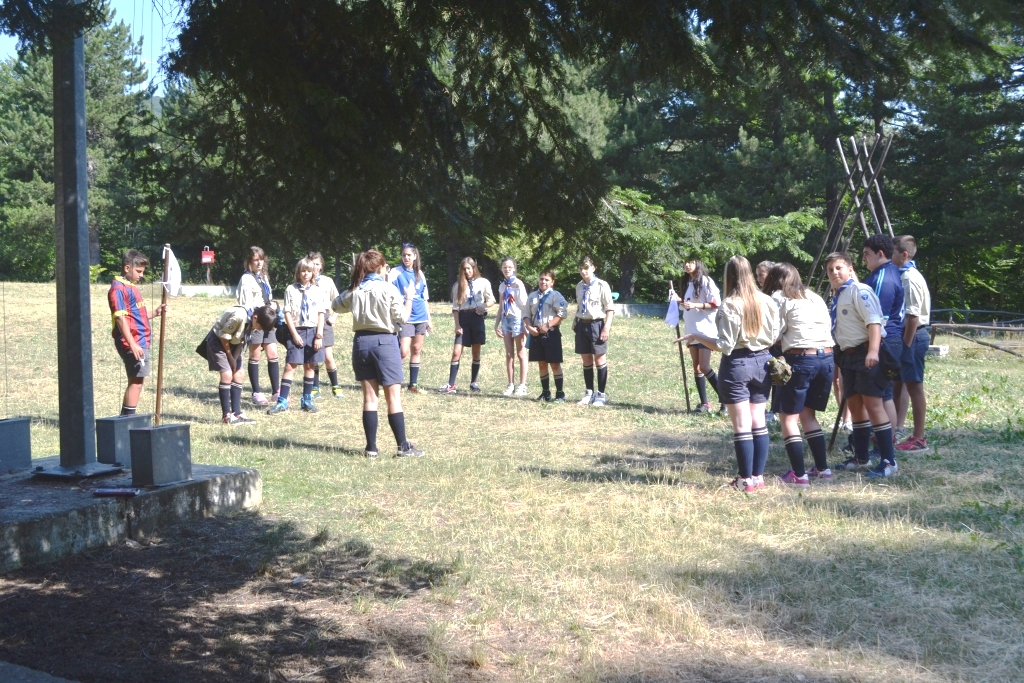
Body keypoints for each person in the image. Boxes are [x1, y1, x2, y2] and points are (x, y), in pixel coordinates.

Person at [680, 256, 780, 492]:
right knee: (759, 421)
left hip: (737, 364)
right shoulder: (768, 301)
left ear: (729, 276)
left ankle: (745, 480)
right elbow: (775, 335)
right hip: (764, 362)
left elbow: (724, 345)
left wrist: (697, 336)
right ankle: (757, 477)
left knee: (742, 424)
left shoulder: (730, 304)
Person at [333, 249, 423, 458]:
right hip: (385, 342)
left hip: (361, 343)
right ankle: (403, 446)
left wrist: (353, 286)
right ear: (380, 268)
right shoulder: (388, 288)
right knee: (393, 398)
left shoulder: (355, 289)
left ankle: (371, 448)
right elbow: (402, 317)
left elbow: (336, 305)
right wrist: (409, 298)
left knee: (370, 398)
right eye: (385, 267)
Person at [826, 252, 899, 478]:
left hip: (865, 352)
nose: (835, 273)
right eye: (830, 270)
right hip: (847, 355)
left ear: (850, 269)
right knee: (855, 404)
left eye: (839, 267)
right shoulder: (839, 295)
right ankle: (861, 457)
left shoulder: (860, 291)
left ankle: (888, 461)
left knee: (873, 404)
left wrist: (873, 351)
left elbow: (874, 322)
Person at [762, 263, 835, 486]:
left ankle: (799, 474)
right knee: (808, 414)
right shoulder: (814, 296)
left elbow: (773, 333)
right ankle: (822, 468)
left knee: (788, 417)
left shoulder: (779, 297)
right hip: (826, 358)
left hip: (801, 359)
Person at [108, 249, 165, 416]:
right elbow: (120, 318)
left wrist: (155, 313)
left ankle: (126, 419)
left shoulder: (130, 286)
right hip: (133, 341)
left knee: (137, 380)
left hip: (140, 340)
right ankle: (127, 419)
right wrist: (132, 344)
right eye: (138, 271)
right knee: (137, 381)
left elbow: (136, 315)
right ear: (127, 268)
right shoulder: (118, 289)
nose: (141, 275)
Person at [862, 234, 905, 442]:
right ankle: (883, 438)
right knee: (883, 392)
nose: (864, 258)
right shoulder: (887, 272)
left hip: (885, 341)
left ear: (880, 254)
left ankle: (885, 441)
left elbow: (878, 318)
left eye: (866, 254)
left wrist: (873, 347)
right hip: (888, 340)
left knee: (881, 394)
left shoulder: (883, 278)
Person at [268, 257, 325, 414]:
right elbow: (286, 313)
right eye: (303, 271)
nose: (306, 274)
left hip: (313, 331)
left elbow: (321, 313)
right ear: (298, 272)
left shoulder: (317, 290)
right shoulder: (290, 289)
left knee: (310, 365)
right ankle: (282, 401)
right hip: (296, 331)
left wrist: (319, 335)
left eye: (309, 271)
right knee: (290, 365)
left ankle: (307, 399)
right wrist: (293, 334)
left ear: (313, 272)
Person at [892, 235, 931, 453]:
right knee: (897, 385)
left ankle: (919, 437)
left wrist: (904, 347)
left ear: (904, 254)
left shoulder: (909, 278)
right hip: (906, 336)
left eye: (892, 252)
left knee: (914, 387)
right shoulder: (902, 274)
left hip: (913, 336)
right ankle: (892, 432)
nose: (889, 257)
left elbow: (913, 316)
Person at [204, 304, 276, 425]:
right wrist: (230, 358)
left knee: (239, 374)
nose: (259, 329)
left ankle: (236, 413)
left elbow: (242, 340)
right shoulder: (239, 317)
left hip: (234, 344)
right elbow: (223, 337)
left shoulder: (255, 322)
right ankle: (226, 416)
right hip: (218, 342)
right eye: (260, 327)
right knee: (227, 374)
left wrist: (235, 358)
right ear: (255, 317)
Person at [669, 258, 722, 413]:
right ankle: (704, 404)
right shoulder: (687, 283)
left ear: (697, 263)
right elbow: (687, 305)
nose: (687, 265)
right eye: (685, 262)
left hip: (705, 330)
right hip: (691, 330)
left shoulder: (706, 281)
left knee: (704, 367)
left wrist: (695, 305)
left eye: (691, 262)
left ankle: (726, 400)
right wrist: (678, 300)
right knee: (697, 367)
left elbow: (716, 303)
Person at [439, 257, 495, 394]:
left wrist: (483, 305)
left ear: (474, 268)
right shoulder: (457, 285)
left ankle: (474, 382)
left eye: (469, 268)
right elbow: (455, 307)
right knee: (456, 352)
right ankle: (451, 384)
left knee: (476, 351)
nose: (467, 271)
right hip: (463, 318)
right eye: (464, 269)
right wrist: (457, 325)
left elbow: (492, 300)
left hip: (477, 318)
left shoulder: (483, 282)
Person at [387, 243, 434, 392]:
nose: (406, 257)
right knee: (403, 351)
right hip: (405, 317)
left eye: (409, 255)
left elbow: (424, 298)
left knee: (416, 349)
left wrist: (428, 319)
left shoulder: (420, 274)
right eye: (404, 255)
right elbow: (387, 292)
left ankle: (413, 384)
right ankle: (394, 382)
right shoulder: (395, 272)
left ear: (414, 256)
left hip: (420, 317)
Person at [237, 246, 279, 407]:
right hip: (256, 321)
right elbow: (245, 303)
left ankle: (276, 391)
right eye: (256, 260)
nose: (259, 263)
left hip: (268, 319)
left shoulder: (263, 277)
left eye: (261, 259)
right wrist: (253, 322)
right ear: (249, 262)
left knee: (272, 353)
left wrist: (273, 305)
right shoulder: (246, 279)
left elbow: (267, 296)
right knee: (255, 355)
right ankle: (256, 392)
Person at [573, 256, 615, 407]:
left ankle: (601, 395)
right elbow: (579, 306)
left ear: (593, 268)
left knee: (600, 359)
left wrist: (606, 328)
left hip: (597, 325)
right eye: (581, 269)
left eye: (586, 268)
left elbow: (610, 308)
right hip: (582, 324)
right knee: (586, 359)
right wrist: (575, 322)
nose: (584, 271)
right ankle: (589, 393)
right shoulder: (579, 286)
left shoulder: (602, 285)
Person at [523, 270, 568, 402]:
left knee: (554, 364)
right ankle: (545, 392)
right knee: (541, 364)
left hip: (551, 334)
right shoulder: (532, 296)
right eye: (541, 279)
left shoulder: (555, 296)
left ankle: (560, 393)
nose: (543, 282)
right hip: (536, 333)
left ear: (552, 282)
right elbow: (526, 314)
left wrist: (548, 325)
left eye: (547, 280)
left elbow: (562, 314)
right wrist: (529, 327)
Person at [309, 252, 343, 398]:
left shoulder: (327, 281)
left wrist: (334, 317)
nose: (315, 267)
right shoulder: (305, 280)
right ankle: (315, 387)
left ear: (321, 266)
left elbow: (339, 301)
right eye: (312, 264)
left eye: (317, 264)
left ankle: (335, 386)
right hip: (311, 321)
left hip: (325, 320)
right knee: (314, 355)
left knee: (328, 356)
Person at [495, 257, 530, 397]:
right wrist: (496, 324)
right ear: (501, 269)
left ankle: (522, 385)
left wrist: (526, 323)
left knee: (521, 353)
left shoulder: (518, 284)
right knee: (509, 354)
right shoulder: (502, 286)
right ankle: (510, 385)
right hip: (506, 319)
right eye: (504, 267)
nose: (507, 269)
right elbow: (501, 306)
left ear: (514, 268)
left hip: (518, 319)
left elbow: (525, 305)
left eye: (509, 267)